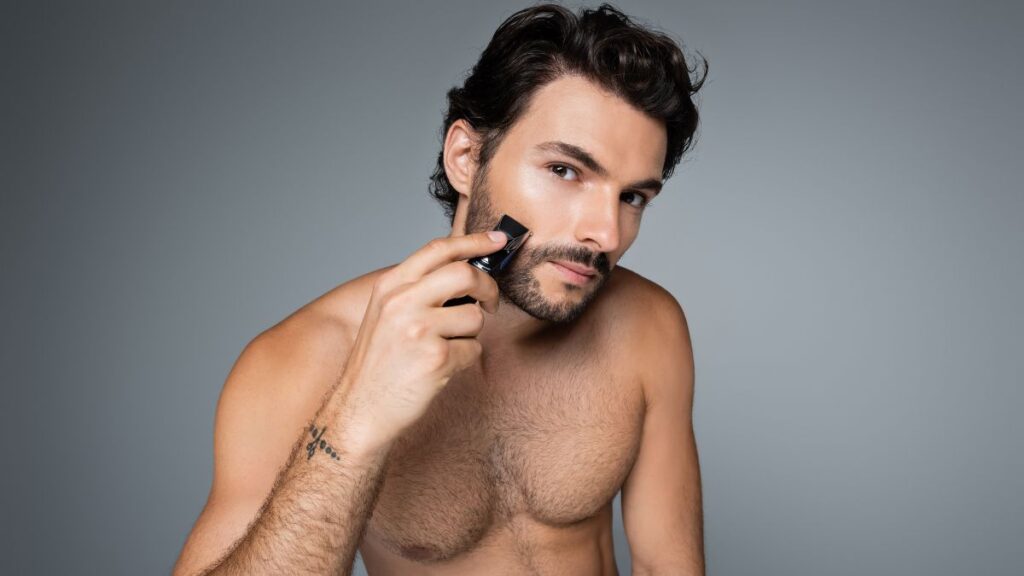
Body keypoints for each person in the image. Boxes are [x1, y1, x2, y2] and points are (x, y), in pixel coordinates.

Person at [173, 3, 708, 574]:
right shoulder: (299, 361)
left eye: (632, 198)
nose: (604, 233)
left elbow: (666, 566)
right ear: (465, 156)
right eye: (565, 171)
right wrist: (356, 417)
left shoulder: (646, 325)